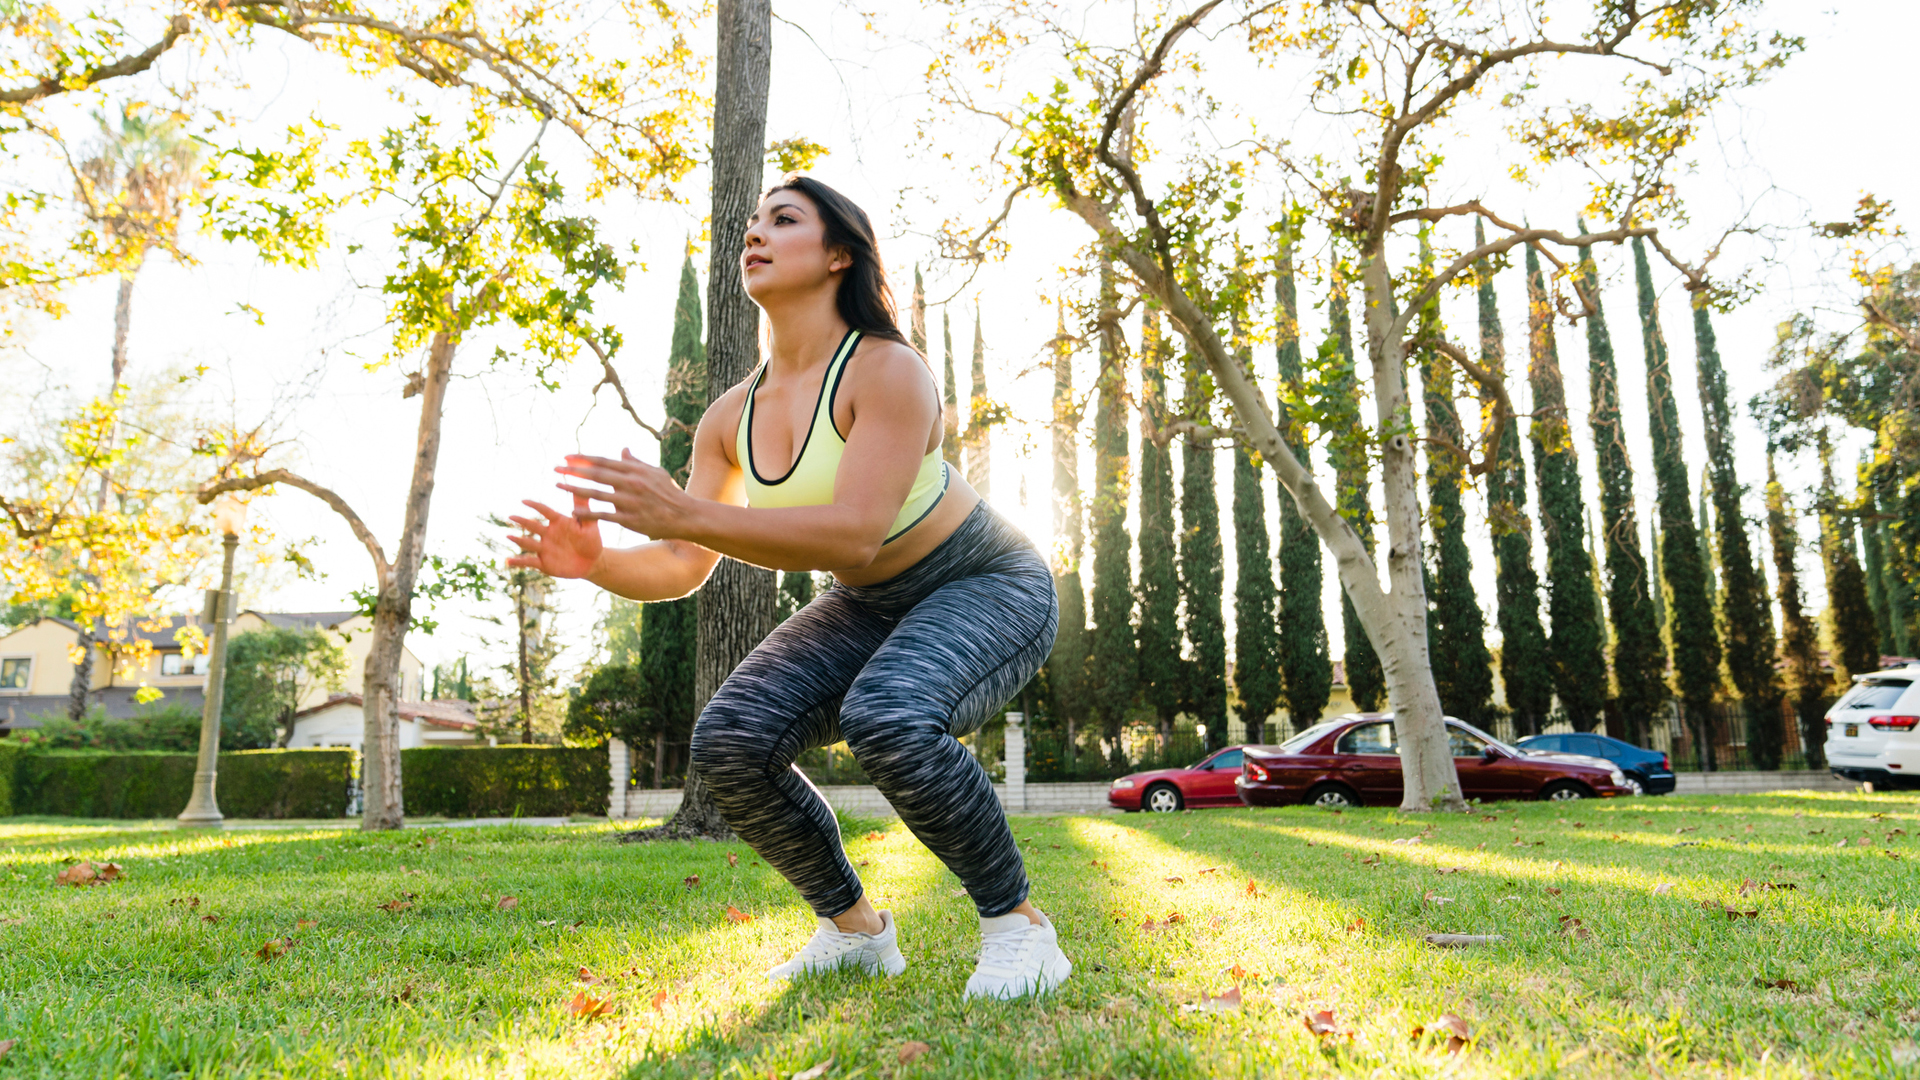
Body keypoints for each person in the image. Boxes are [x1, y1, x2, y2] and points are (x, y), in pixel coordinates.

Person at [505, 176, 1067, 1001]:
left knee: (892, 715)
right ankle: (855, 932)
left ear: (840, 253)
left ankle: (1019, 927)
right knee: (730, 743)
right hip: (867, 602)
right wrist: (598, 562)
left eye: (783, 220)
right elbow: (682, 563)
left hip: (986, 582)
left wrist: (687, 512)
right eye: (750, 225)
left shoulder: (887, 371)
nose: (754, 235)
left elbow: (852, 532)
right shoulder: (730, 416)